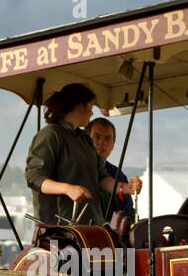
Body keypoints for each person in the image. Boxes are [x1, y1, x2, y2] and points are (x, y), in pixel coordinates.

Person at [24, 83, 141, 227]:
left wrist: (125, 187)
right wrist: (67, 188)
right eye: (91, 108)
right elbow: (34, 177)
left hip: (90, 226)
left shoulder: (84, 139)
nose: (92, 113)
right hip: (58, 229)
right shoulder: (50, 135)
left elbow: (101, 178)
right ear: (80, 107)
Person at [86, 117, 139, 225]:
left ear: (113, 145)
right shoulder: (76, 170)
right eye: (97, 137)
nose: (102, 142)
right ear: (86, 140)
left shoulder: (119, 176)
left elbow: (128, 213)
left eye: (107, 138)